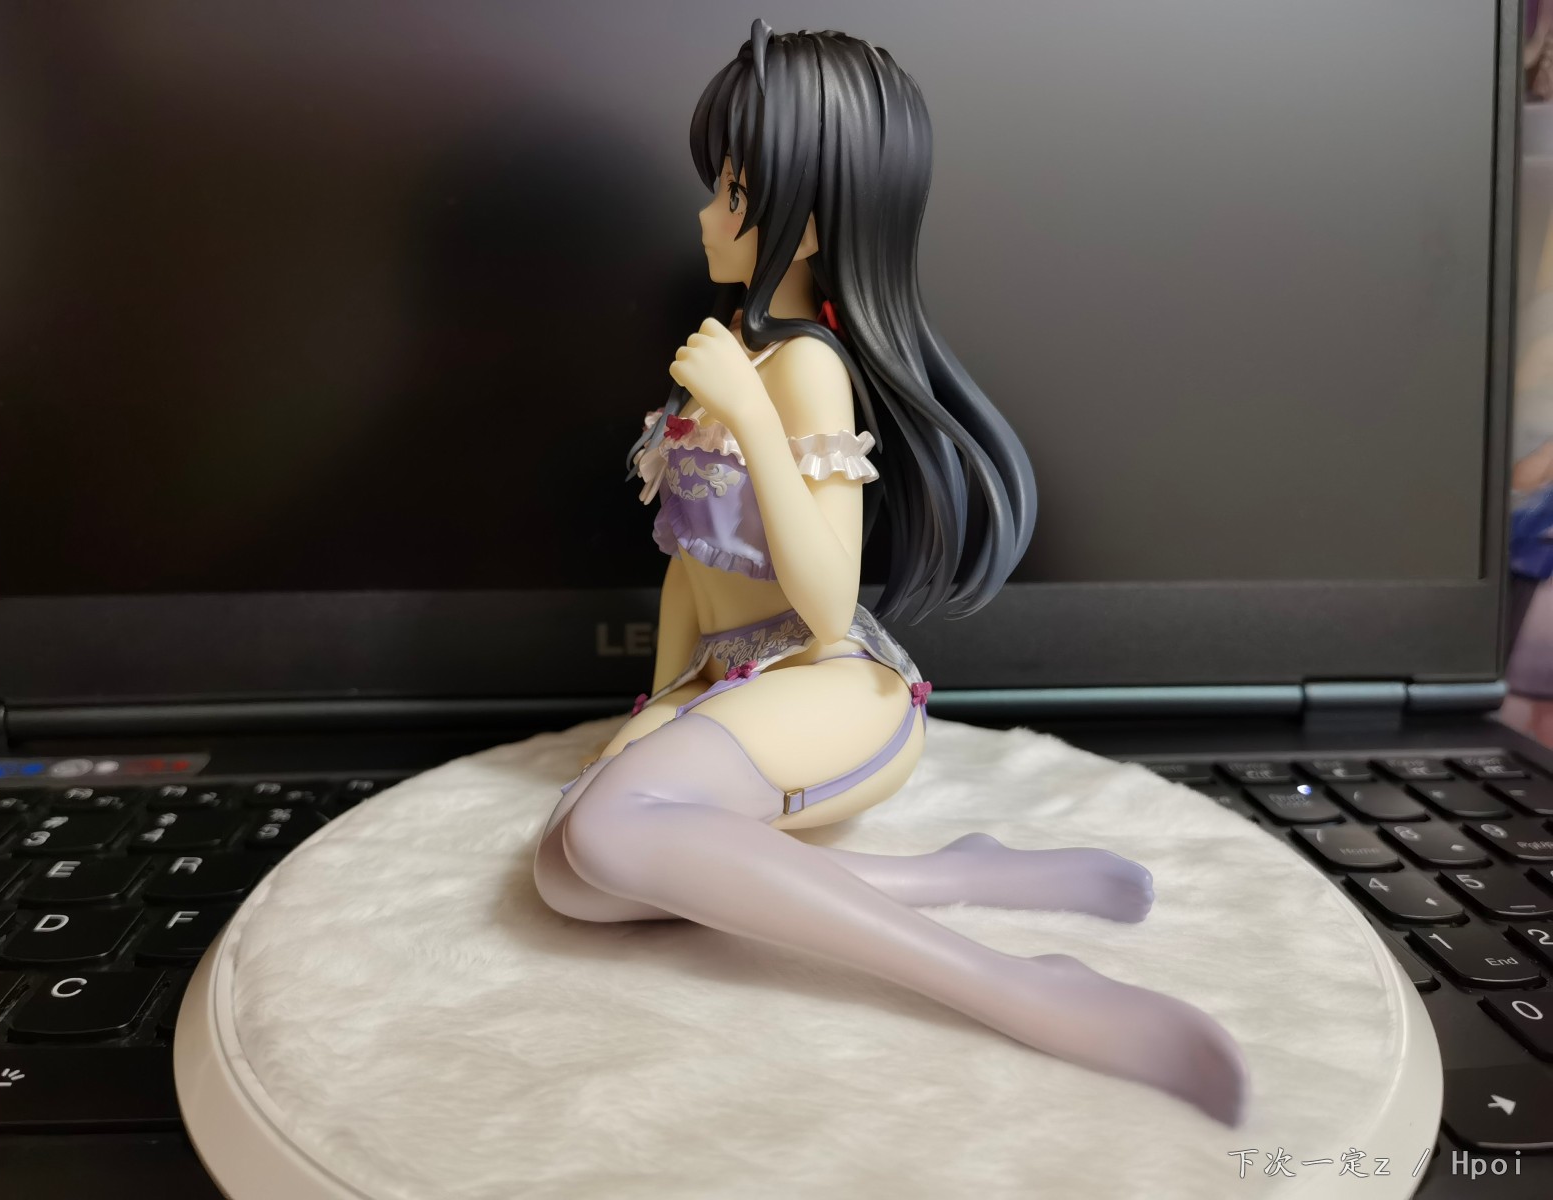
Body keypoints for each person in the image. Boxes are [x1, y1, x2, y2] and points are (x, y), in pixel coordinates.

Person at [533, 20, 1247, 1127]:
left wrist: (751, 419)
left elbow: (826, 607)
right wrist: (661, 704)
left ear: (808, 218)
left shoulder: (804, 369)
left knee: (610, 833)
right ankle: (954, 872)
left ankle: (1010, 985)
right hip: (731, 680)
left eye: (732, 193)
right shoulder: (739, 353)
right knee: (567, 874)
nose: (706, 216)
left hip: (827, 679)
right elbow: (688, 568)